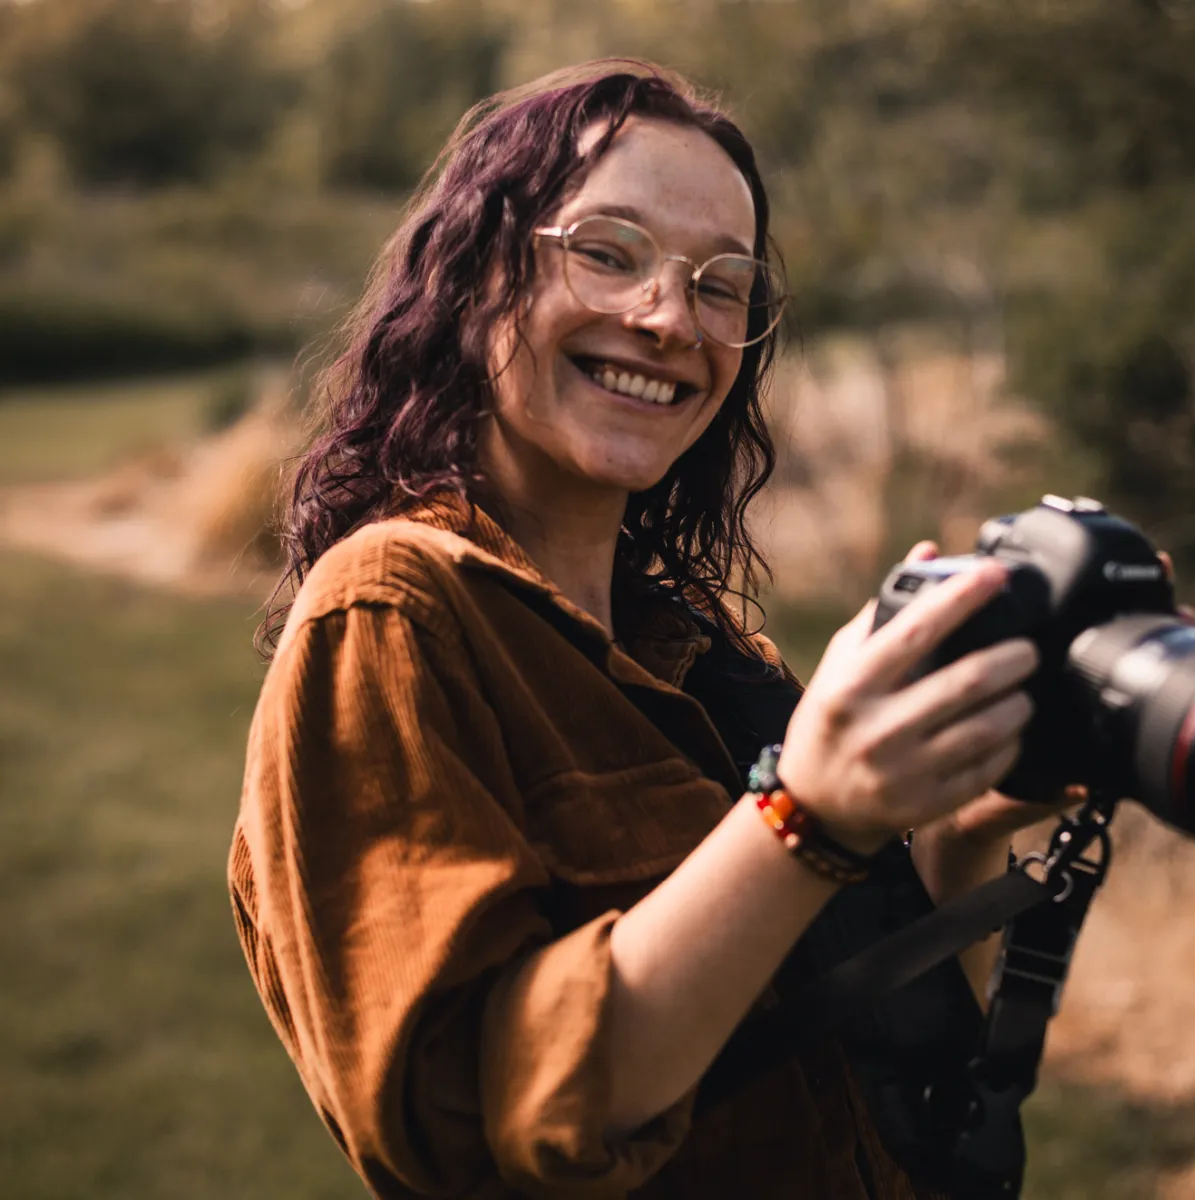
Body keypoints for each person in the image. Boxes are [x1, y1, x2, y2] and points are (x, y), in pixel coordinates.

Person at [228, 60, 1055, 1199]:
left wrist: (958, 834)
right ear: (476, 277)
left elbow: (857, 1039)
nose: (671, 320)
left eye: (723, 285)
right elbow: (473, 1123)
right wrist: (801, 815)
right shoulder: (392, 615)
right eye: (607, 253)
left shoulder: (705, 651)